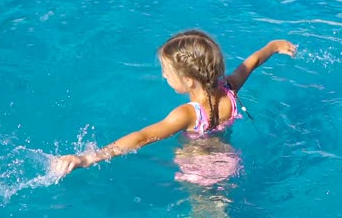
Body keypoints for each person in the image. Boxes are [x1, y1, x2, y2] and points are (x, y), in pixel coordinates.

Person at [51, 30, 296, 180]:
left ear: (188, 81)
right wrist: (274, 45)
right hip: (230, 159)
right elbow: (252, 62)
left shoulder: (188, 114)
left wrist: (88, 158)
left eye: (167, 72)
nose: (164, 76)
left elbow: (141, 137)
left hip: (199, 169)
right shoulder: (229, 89)